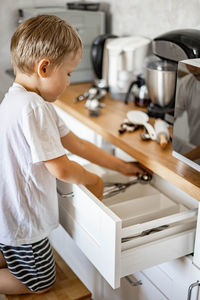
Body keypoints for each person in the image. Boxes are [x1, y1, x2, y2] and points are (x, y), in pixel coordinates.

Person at [0, 15, 148, 295]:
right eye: (68, 73)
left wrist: (122, 167)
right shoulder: (35, 108)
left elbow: (77, 145)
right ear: (44, 68)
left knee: (10, 253)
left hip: (6, 211)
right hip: (24, 220)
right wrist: (94, 180)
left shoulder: (16, 98)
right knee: (40, 280)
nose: (70, 81)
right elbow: (62, 169)